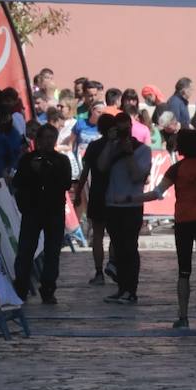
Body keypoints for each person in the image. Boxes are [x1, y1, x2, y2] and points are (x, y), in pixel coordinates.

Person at [128, 128, 196, 328]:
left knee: (184, 271)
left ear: (181, 146)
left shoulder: (176, 169)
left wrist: (132, 198)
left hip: (184, 220)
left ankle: (183, 317)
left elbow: (157, 193)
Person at [12, 124, 73, 304]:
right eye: (44, 138)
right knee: (26, 251)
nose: (48, 142)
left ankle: (48, 288)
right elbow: (18, 182)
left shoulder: (61, 160)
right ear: (38, 140)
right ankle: (21, 287)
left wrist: (48, 171)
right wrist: (32, 171)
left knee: (52, 252)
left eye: (51, 138)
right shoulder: (27, 159)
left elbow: (66, 183)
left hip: (54, 211)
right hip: (32, 210)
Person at [98, 112, 152, 305]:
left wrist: (129, 153)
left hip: (132, 205)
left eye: (125, 128)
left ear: (131, 128)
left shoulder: (143, 150)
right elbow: (101, 167)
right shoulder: (112, 147)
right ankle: (122, 288)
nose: (123, 132)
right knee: (118, 249)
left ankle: (131, 290)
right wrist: (110, 144)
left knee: (130, 248)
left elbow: (137, 176)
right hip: (112, 204)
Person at [76, 112, 117, 285]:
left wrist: (78, 193)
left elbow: (84, 172)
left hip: (97, 193)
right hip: (115, 193)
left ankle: (99, 272)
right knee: (115, 235)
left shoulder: (93, 146)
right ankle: (113, 264)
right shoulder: (117, 147)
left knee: (98, 235)